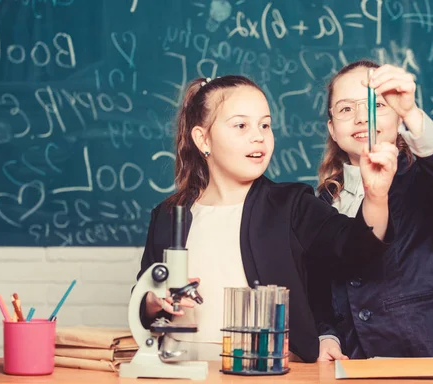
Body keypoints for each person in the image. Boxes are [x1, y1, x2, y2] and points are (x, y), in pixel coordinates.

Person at [135, 75, 399, 363]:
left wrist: (375, 195)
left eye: (265, 124)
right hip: (183, 371)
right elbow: (144, 297)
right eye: (241, 125)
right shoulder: (168, 216)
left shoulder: (292, 204)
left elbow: (358, 248)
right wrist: (152, 302)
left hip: (270, 372)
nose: (258, 136)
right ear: (203, 139)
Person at [312, 60, 433, 361]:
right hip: (352, 363)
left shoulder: (422, 178)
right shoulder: (322, 201)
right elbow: (320, 286)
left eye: (376, 105)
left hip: (424, 357)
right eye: (346, 109)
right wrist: (326, 334)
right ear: (333, 130)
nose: (362, 117)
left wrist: (411, 112)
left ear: (397, 118)